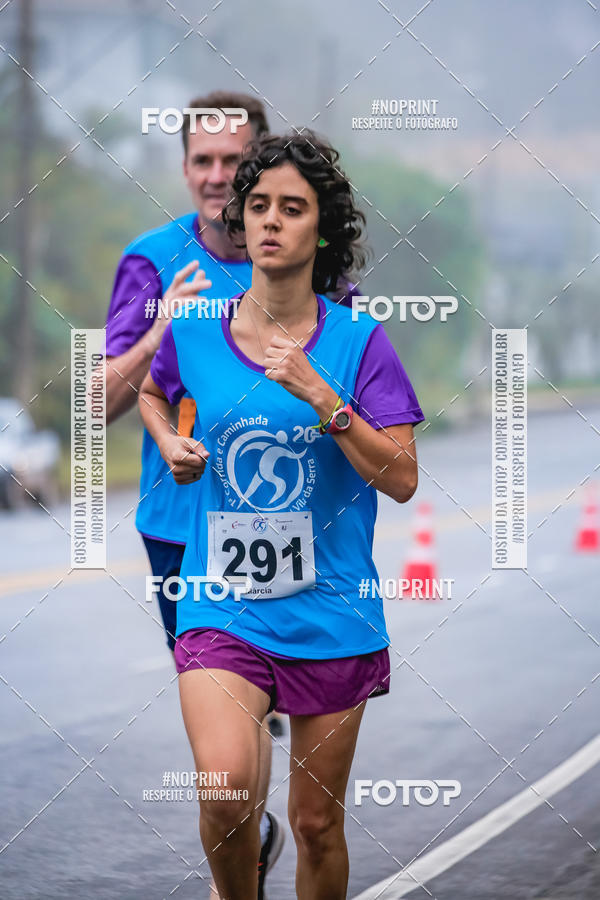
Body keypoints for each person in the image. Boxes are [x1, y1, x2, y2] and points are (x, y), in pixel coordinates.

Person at [139, 130, 425, 899]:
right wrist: (170, 440)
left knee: (315, 826)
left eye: (291, 208)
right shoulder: (197, 328)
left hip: (332, 610)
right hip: (220, 603)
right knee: (229, 791)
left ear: (318, 229)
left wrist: (325, 398)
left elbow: (401, 478)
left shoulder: (361, 343)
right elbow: (152, 391)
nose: (269, 220)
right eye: (257, 205)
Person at [104, 93, 284, 892]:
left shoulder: (301, 252)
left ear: (261, 164)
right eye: (202, 162)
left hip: (283, 525)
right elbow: (97, 398)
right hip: (182, 528)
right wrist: (161, 327)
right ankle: (239, 852)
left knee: (263, 703)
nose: (217, 177)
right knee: (224, 720)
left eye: (232, 161)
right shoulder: (152, 260)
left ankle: (245, 851)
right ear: (183, 169)